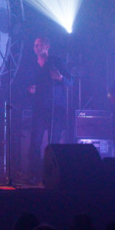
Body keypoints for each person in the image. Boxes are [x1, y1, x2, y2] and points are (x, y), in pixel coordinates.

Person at [27, 36, 73, 181]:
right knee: (35, 141)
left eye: (40, 45)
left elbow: (70, 81)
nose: (37, 47)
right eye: (35, 45)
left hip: (56, 108)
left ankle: (52, 174)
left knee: (54, 142)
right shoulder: (32, 65)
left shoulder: (56, 62)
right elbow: (26, 85)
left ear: (47, 47)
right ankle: (34, 174)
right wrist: (30, 90)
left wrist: (60, 78)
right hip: (39, 108)